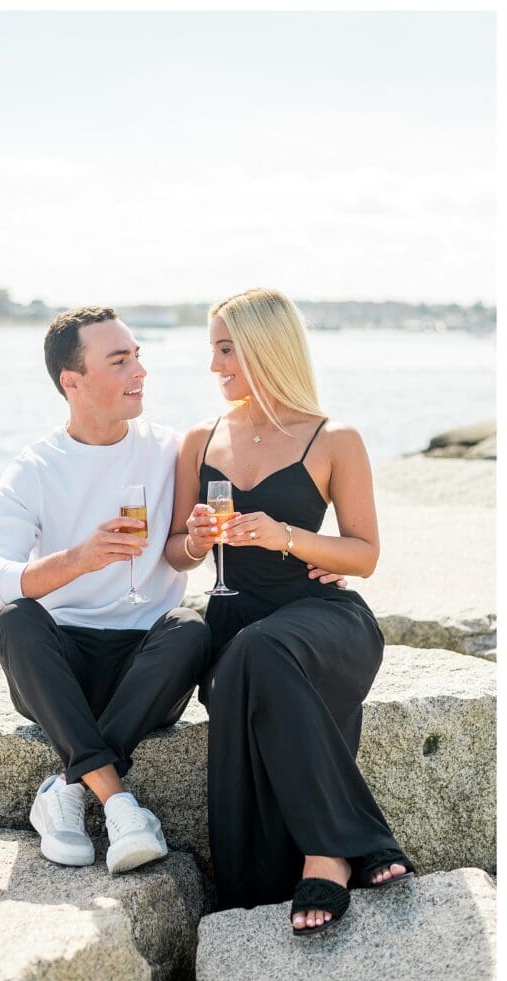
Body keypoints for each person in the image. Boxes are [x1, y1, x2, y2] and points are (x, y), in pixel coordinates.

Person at [165, 287, 415, 935]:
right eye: (213, 350)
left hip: (323, 622)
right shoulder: (200, 438)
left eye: (226, 350)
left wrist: (286, 536)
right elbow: (176, 553)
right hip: (235, 630)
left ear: (264, 350)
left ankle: (330, 854)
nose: (215, 365)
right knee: (252, 652)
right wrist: (195, 537)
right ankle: (361, 841)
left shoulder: (335, 439)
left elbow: (363, 554)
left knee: (267, 649)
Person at [0, 306, 212, 874]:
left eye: (138, 356)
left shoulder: (172, 450)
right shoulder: (35, 468)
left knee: (193, 626)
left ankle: (67, 791)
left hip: (144, 666)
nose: (140, 371)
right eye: (120, 360)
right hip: (60, 669)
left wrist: (207, 544)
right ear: (71, 382)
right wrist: (77, 560)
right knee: (15, 620)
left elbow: (228, 510)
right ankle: (119, 803)